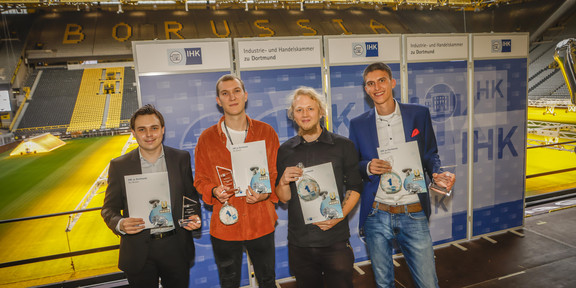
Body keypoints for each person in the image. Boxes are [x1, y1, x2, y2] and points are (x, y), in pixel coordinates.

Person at [348, 62, 456, 288]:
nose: (376, 87)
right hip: (376, 214)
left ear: (392, 83)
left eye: (381, 80)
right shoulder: (358, 124)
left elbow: (430, 154)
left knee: (428, 283)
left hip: (413, 210)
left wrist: (437, 172)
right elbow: (353, 165)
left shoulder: (418, 114)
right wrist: (368, 167)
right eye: (370, 83)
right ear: (365, 89)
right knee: (384, 283)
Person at [101, 104, 202, 288]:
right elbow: (109, 209)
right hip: (139, 251)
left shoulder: (181, 158)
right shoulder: (119, 166)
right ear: (133, 132)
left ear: (162, 130)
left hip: (176, 247)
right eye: (142, 129)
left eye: (154, 128)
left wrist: (193, 216)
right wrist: (120, 223)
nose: (149, 134)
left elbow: (191, 198)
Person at [194, 74, 279, 288]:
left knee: (267, 280)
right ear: (218, 100)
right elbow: (200, 180)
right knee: (229, 282)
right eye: (225, 93)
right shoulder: (206, 138)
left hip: (260, 220)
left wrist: (266, 193)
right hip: (226, 224)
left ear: (245, 95)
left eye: (236, 91)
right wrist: (213, 190)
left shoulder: (266, 132)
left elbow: (275, 174)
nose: (232, 97)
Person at [275, 87, 363, 288]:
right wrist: (282, 182)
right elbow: (283, 198)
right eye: (299, 110)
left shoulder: (343, 145)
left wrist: (338, 217)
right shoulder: (285, 150)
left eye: (310, 109)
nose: (305, 114)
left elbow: (355, 186)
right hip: (300, 242)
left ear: (321, 112)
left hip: (335, 240)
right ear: (292, 115)